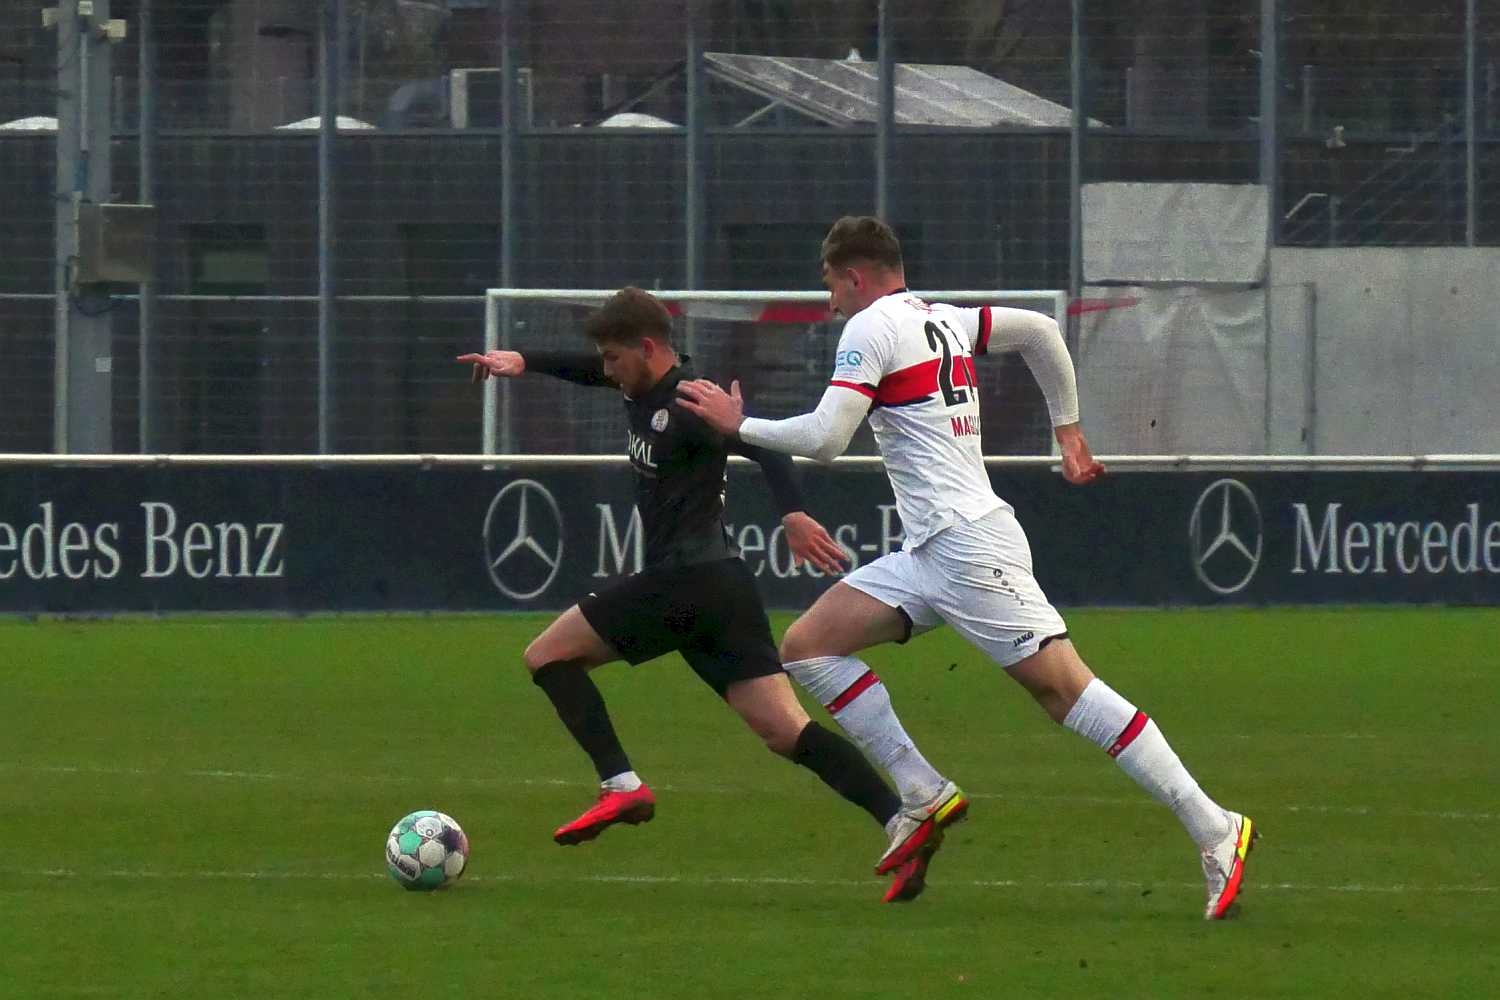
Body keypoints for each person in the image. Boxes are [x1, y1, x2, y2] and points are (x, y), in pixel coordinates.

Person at [677, 217, 1257, 920]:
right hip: (932, 550)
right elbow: (1040, 331)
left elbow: (826, 438)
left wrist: (737, 425)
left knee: (1064, 691)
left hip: (968, 547)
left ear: (854, 276)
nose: (828, 301)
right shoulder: (944, 318)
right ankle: (922, 791)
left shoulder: (870, 327)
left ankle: (1215, 827)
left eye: (830, 284)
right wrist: (1068, 430)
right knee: (808, 646)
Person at [457, 286, 950, 903]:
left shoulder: (691, 401)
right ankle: (901, 820)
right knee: (786, 732)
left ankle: (620, 785)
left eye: (613, 358)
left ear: (647, 348)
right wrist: (524, 361)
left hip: (685, 580)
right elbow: (587, 369)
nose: (606, 371)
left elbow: (762, 447)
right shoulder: (641, 382)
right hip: (722, 590)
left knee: (547, 656)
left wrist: (793, 513)